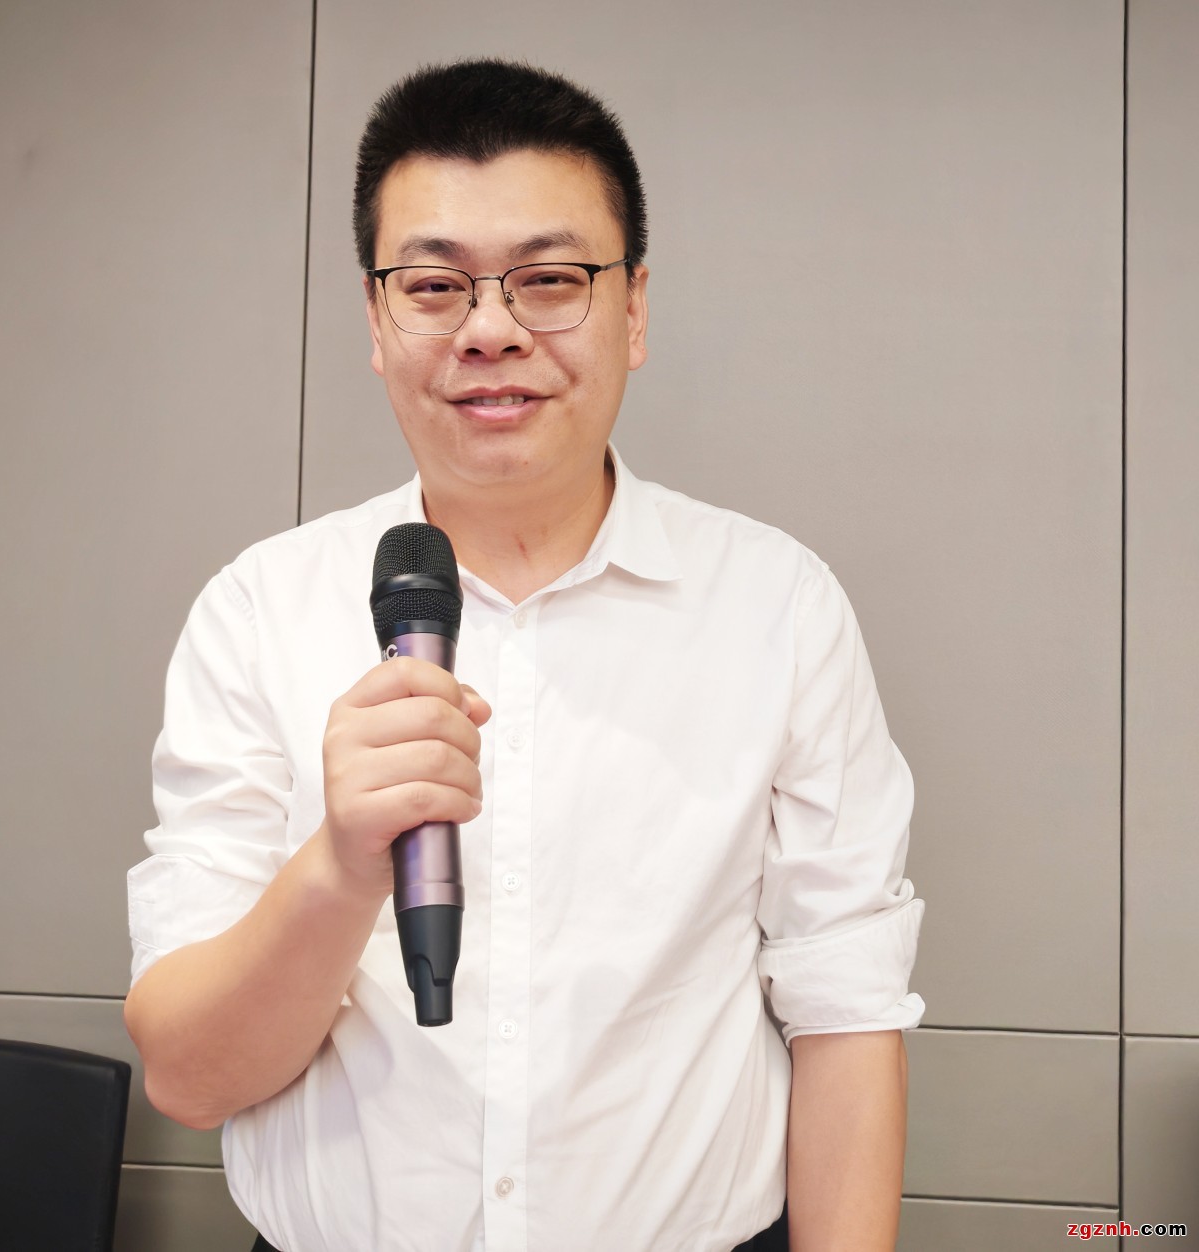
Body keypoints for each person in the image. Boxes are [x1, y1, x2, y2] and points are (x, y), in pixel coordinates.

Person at [125, 59, 924, 1252]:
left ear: (634, 308)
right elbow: (191, 1079)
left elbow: (846, 1013)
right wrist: (341, 864)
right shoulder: (259, 611)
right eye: (434, 286)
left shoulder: (779, 607)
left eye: (549, 280)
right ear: (376, 320)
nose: (491, 331)